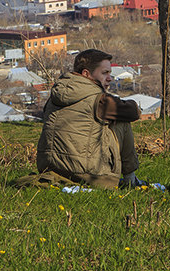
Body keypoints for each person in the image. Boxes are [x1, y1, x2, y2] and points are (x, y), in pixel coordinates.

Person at [36, 49, 144, 190]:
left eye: (110, 73)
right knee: (122, 120)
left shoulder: (53, 97)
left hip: (49, 169)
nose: (109, 78)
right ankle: (131, 180)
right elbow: (134, 112)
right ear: (86, 74)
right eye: (104, 73)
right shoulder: (100, 100)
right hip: (89, 175)